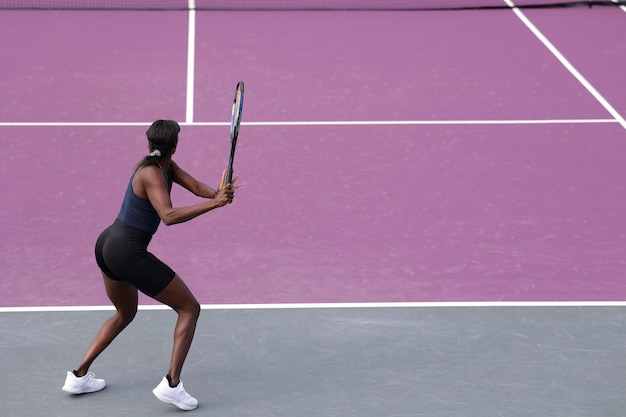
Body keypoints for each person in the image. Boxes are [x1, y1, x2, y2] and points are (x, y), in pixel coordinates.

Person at [61, 120, 240, 411]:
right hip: (126, 251)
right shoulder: (151, 174)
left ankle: (78, 376)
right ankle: (172, 384)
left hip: (108, 244)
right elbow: (168, 216)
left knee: (125, 312)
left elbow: (195, 186)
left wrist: (219, 193)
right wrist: (215, 204)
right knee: (189, 309)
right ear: (175, 144)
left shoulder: (163, 166)